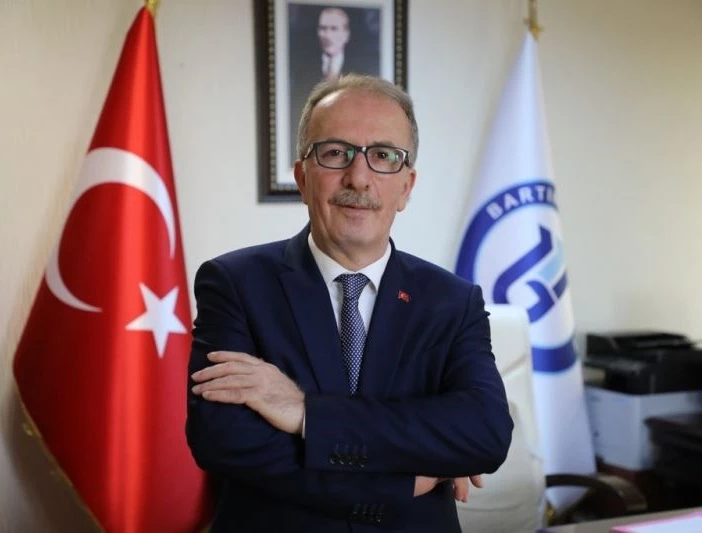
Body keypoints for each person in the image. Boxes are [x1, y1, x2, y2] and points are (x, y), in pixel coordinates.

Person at [187, 74, 513, 532]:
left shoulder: (453, 301)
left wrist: (306, 414)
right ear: (302, 178)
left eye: (384, 156)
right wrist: (402, 479)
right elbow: (224, 439)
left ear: (406, 187)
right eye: (336, 152)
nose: (359, 178)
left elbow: (484, 433)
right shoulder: (234, 283)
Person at [288, 6, 380, 163]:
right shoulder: (302, 71)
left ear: (346, 34)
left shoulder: (365, 70)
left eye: (334, 29)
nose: (328, 35)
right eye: (323, 28)